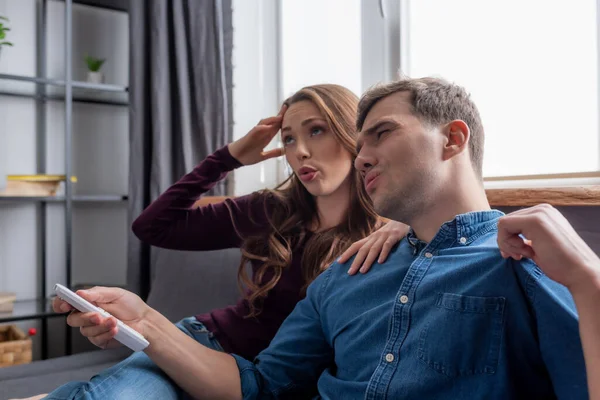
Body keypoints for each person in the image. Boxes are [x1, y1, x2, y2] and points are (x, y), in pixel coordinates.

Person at [34, 76, 600, 400]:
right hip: (206, 346)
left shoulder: (524, 258)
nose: (361, 156)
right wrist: (144, 317)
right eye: (287, 139)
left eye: (376, 135)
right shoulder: (319, 253)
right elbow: (260, 385)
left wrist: (588, 281)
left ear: (453, 140)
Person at [33, 84, 408, 400]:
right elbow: (153, 227)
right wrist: (228, 158)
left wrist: (402, 225)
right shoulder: (270, 210)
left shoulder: (392, 232)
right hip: (203, 346)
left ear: (352, 134)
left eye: (316, 130)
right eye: (289, 139)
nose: (300, 152)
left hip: (269, 382)